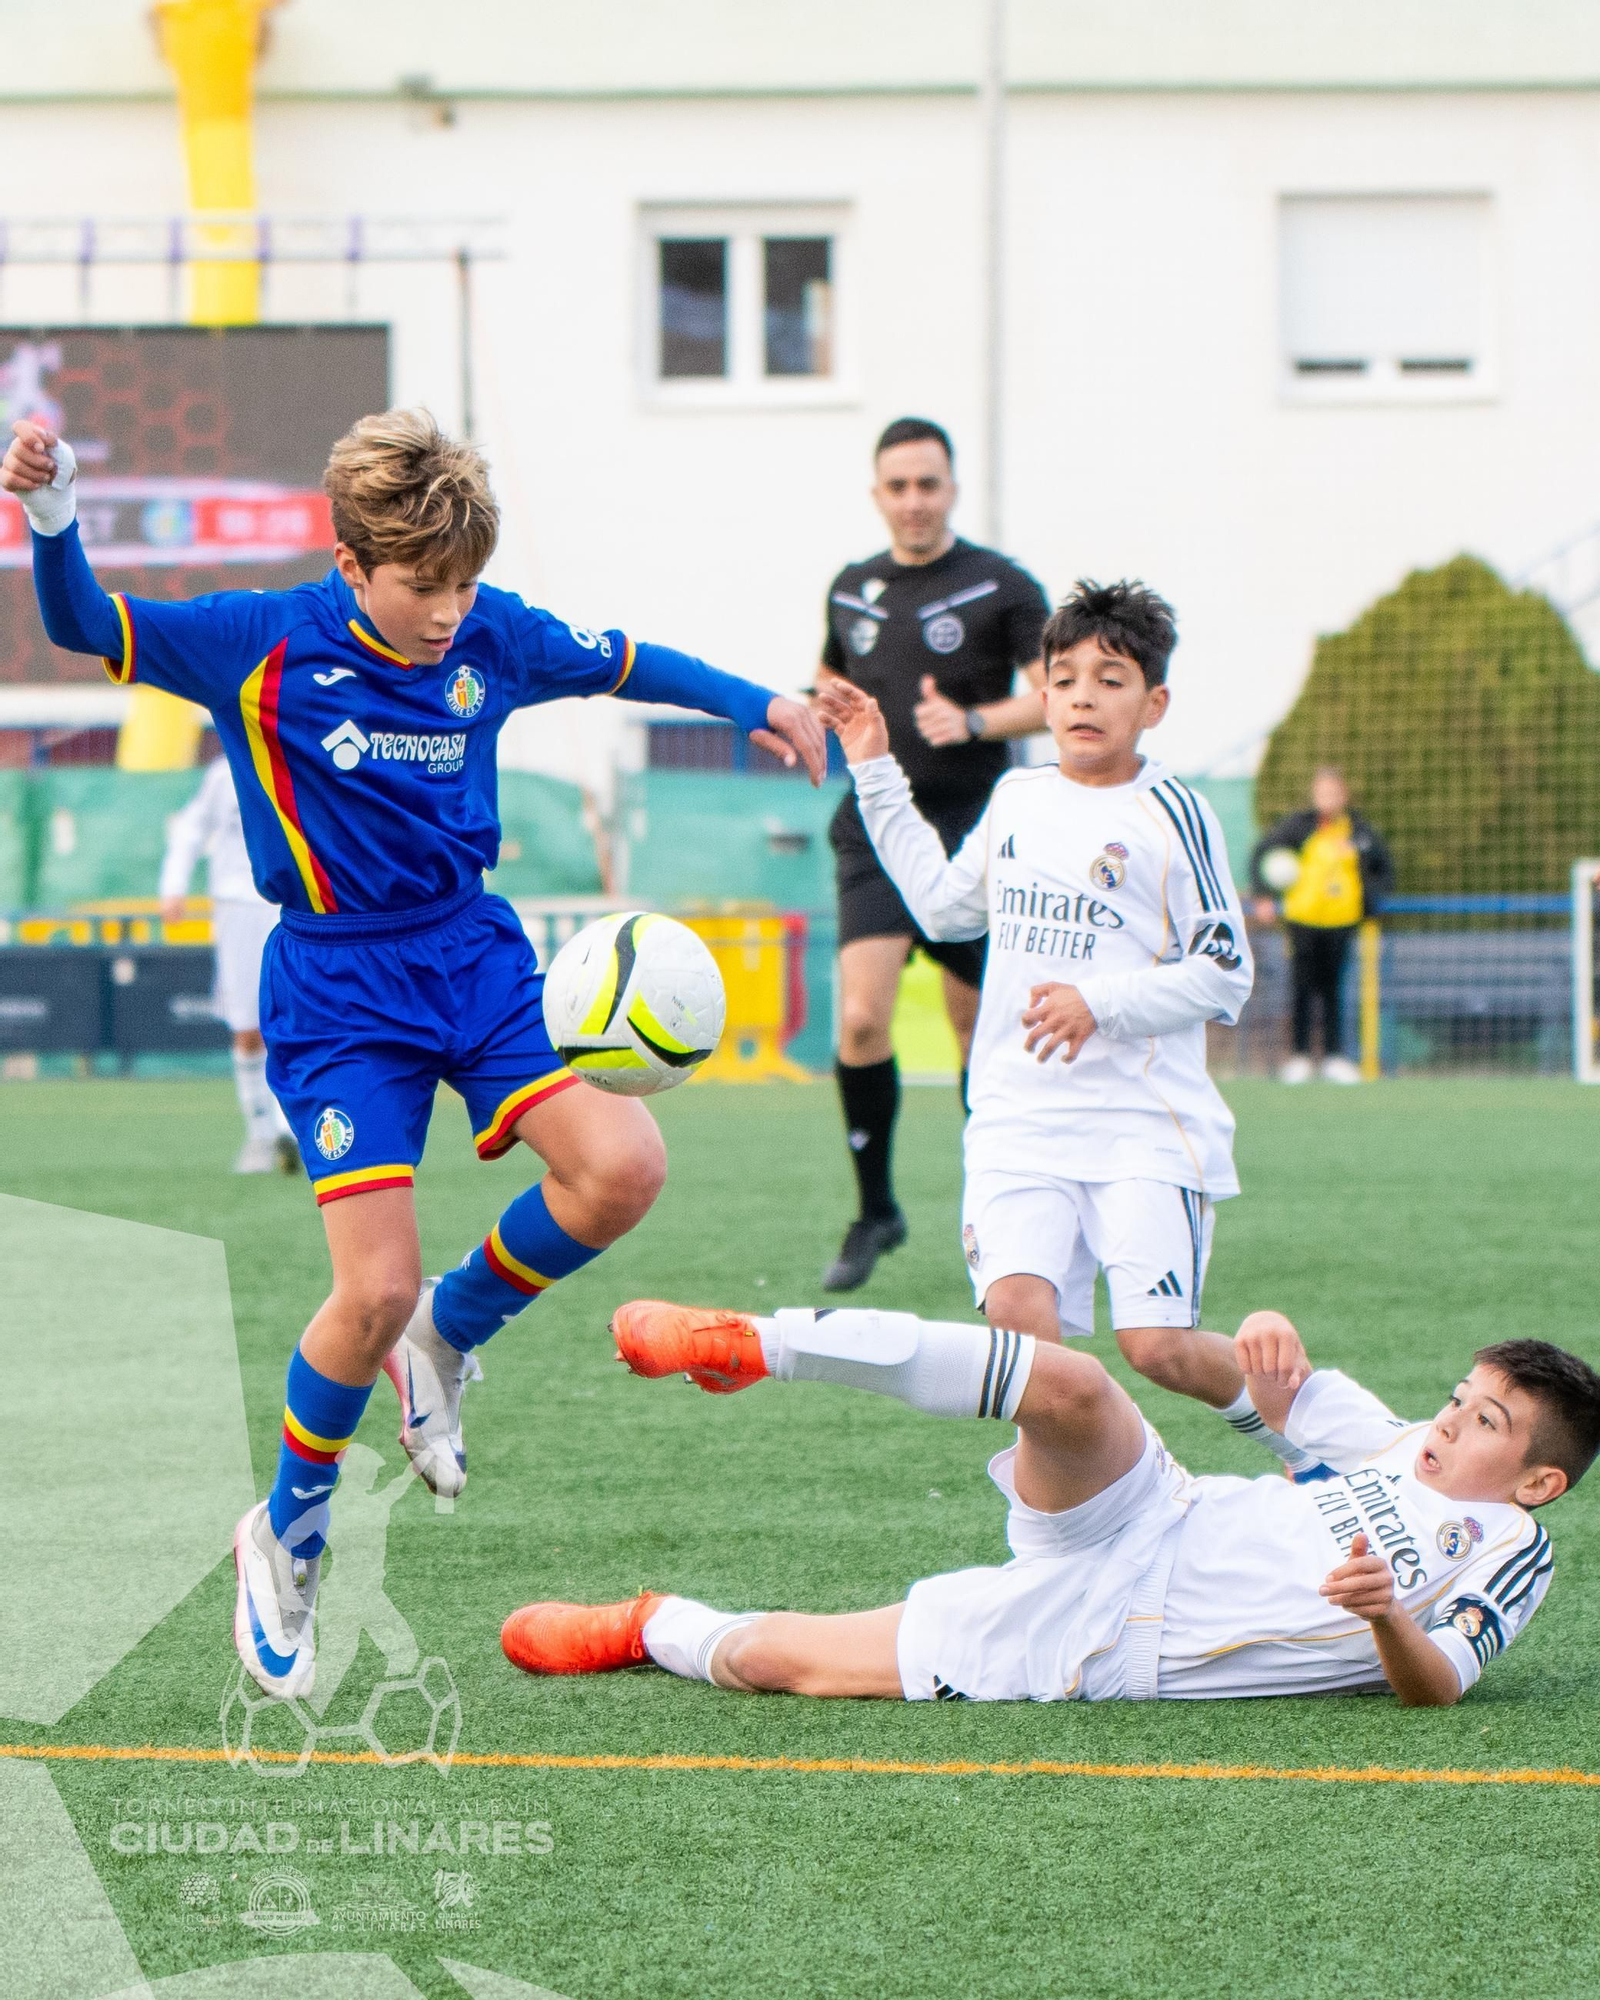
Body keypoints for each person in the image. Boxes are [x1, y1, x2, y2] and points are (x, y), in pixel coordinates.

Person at [3, 407, 824, 1699]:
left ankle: (454, 1327)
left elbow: (624, 663)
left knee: (621, 1169)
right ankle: (286, 1533)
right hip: (336, 987)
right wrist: (52, 515)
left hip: (475, 957)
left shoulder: (489, 634)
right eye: (421, 587)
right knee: (363, 1292)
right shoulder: (258, 643)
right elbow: (82, 623)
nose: (448, 612)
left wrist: (759, 701)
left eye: (462, 584)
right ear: (353, 567)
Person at [502, 1296, 1596, 1708]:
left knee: (777, 1664)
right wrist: (1257, 1351)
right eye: (1461, 1396)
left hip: (1110, 1640)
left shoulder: (1511, 1546)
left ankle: (651, 1623)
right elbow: (1234, 1378)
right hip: (1152, 1511)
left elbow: (1440, 1683)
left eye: (1487, 1421)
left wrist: (1383, 1614)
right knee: (1071, 1381)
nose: (1451, 1419)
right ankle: (755, 1343)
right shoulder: (1394, 1433)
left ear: (1540, 1480)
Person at [815, 583, 1303, 1467]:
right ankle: (1112, 1507)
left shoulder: (1172, 814)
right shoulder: (1017, 801)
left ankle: (1314, 1436)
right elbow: (939, 905)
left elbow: (1226, 971)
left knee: (1156, 1348)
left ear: (1153, 704)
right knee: (1023, 1332)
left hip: (1139, 1127)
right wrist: (876, 766)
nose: (1084, 695)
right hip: (1017, 1120)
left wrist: (1100, 1001)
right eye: (1066, 676)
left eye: (1111, 679)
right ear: (1041, 696)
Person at [816, 417, 1049, 1292]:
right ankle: (876, 1209)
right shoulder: (852, 587)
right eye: (898, 486)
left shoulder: (1002, 585)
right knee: (862, 1020)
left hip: (973, 830)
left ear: (951, 488)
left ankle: (993, 1207)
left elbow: (1057, 694)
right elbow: (829, 676)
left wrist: (976, 720)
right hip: (878, 829)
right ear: (878, 494)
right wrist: (818, 713)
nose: (914, 501)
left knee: (974, 1033)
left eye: (929, 484)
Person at [159, 755, 299, 1174]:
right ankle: (260, 1134)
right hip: (237, 905)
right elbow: (191, 828)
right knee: (247, 1026)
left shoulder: (298, 759)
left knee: (295, 1022)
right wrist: (173, 886)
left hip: (292, 906)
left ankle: (287, 1129)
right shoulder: (224, 774)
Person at [1251, 767, 1393, 1085]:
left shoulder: (1358, 831)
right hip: (1303, 920)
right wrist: (1263, 895)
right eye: (1322, 792)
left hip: (1342, 921)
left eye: (1333, 792)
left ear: (1343, 795)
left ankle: (1334, 1056)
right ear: (1314, 795)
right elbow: (1262, 852)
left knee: (1333, 989)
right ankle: (1300, 1056)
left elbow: (1383, 868)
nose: (1327, 798)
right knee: (1301, 987)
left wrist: (1371, 903)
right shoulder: (1298, 827)